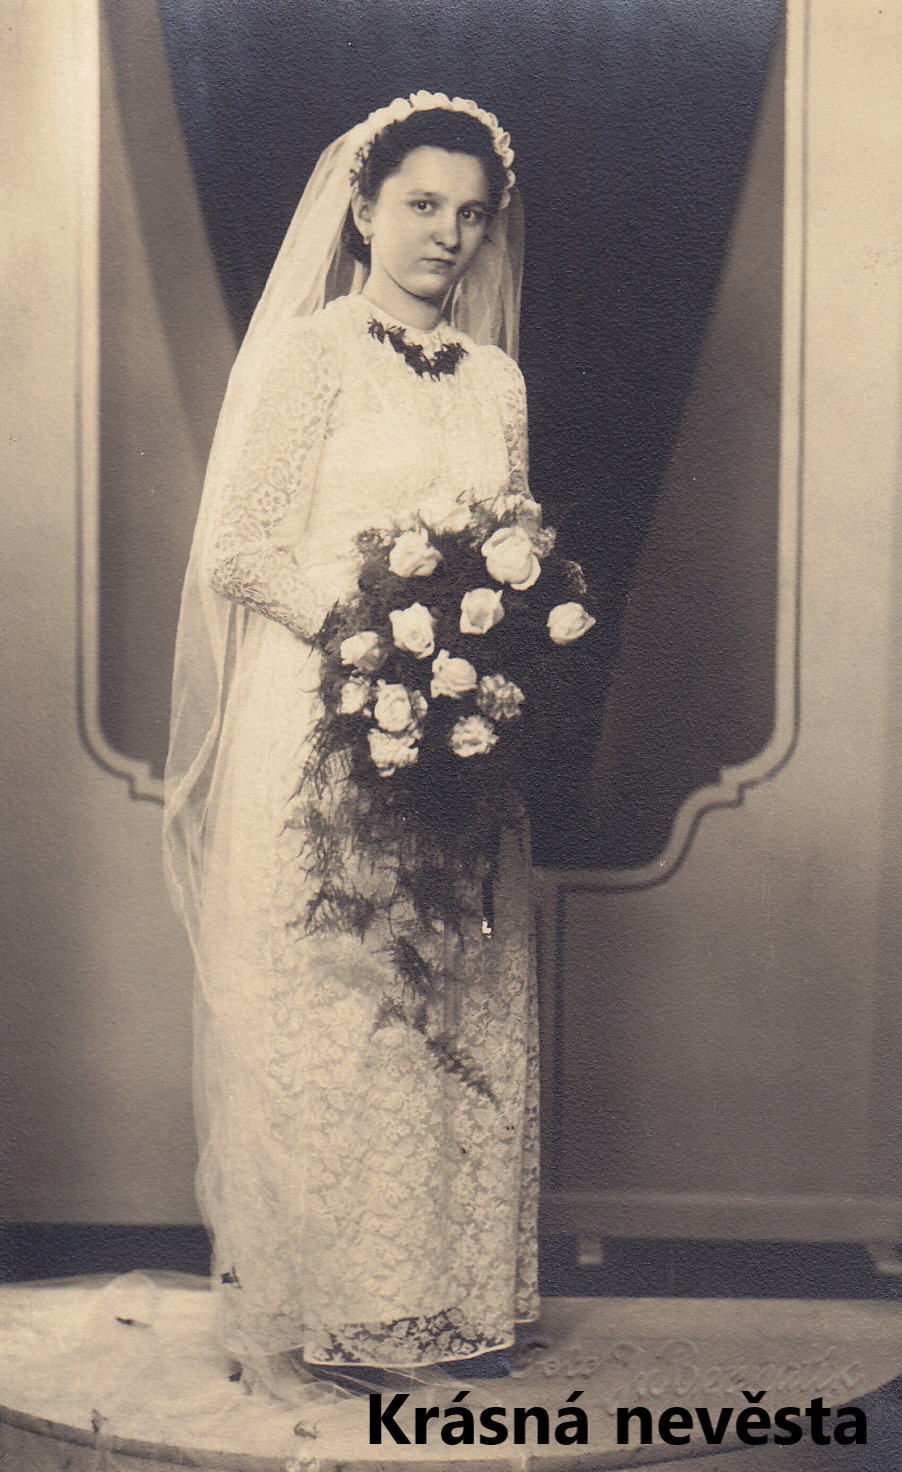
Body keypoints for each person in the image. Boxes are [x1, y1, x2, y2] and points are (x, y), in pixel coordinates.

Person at [163, 92, 539, 1391]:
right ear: (365, 211)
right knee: (343, 998)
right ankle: (335, 1308)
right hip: (323, 720)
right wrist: (381, 640)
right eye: (422, 205)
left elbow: (512, 546)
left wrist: (473, 663)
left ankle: (445, 1301)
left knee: (454, 990)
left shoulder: (496, 379)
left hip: (455, 735)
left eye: (470, 215)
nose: (447, 235)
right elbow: (239, 548)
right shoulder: (308, 355)